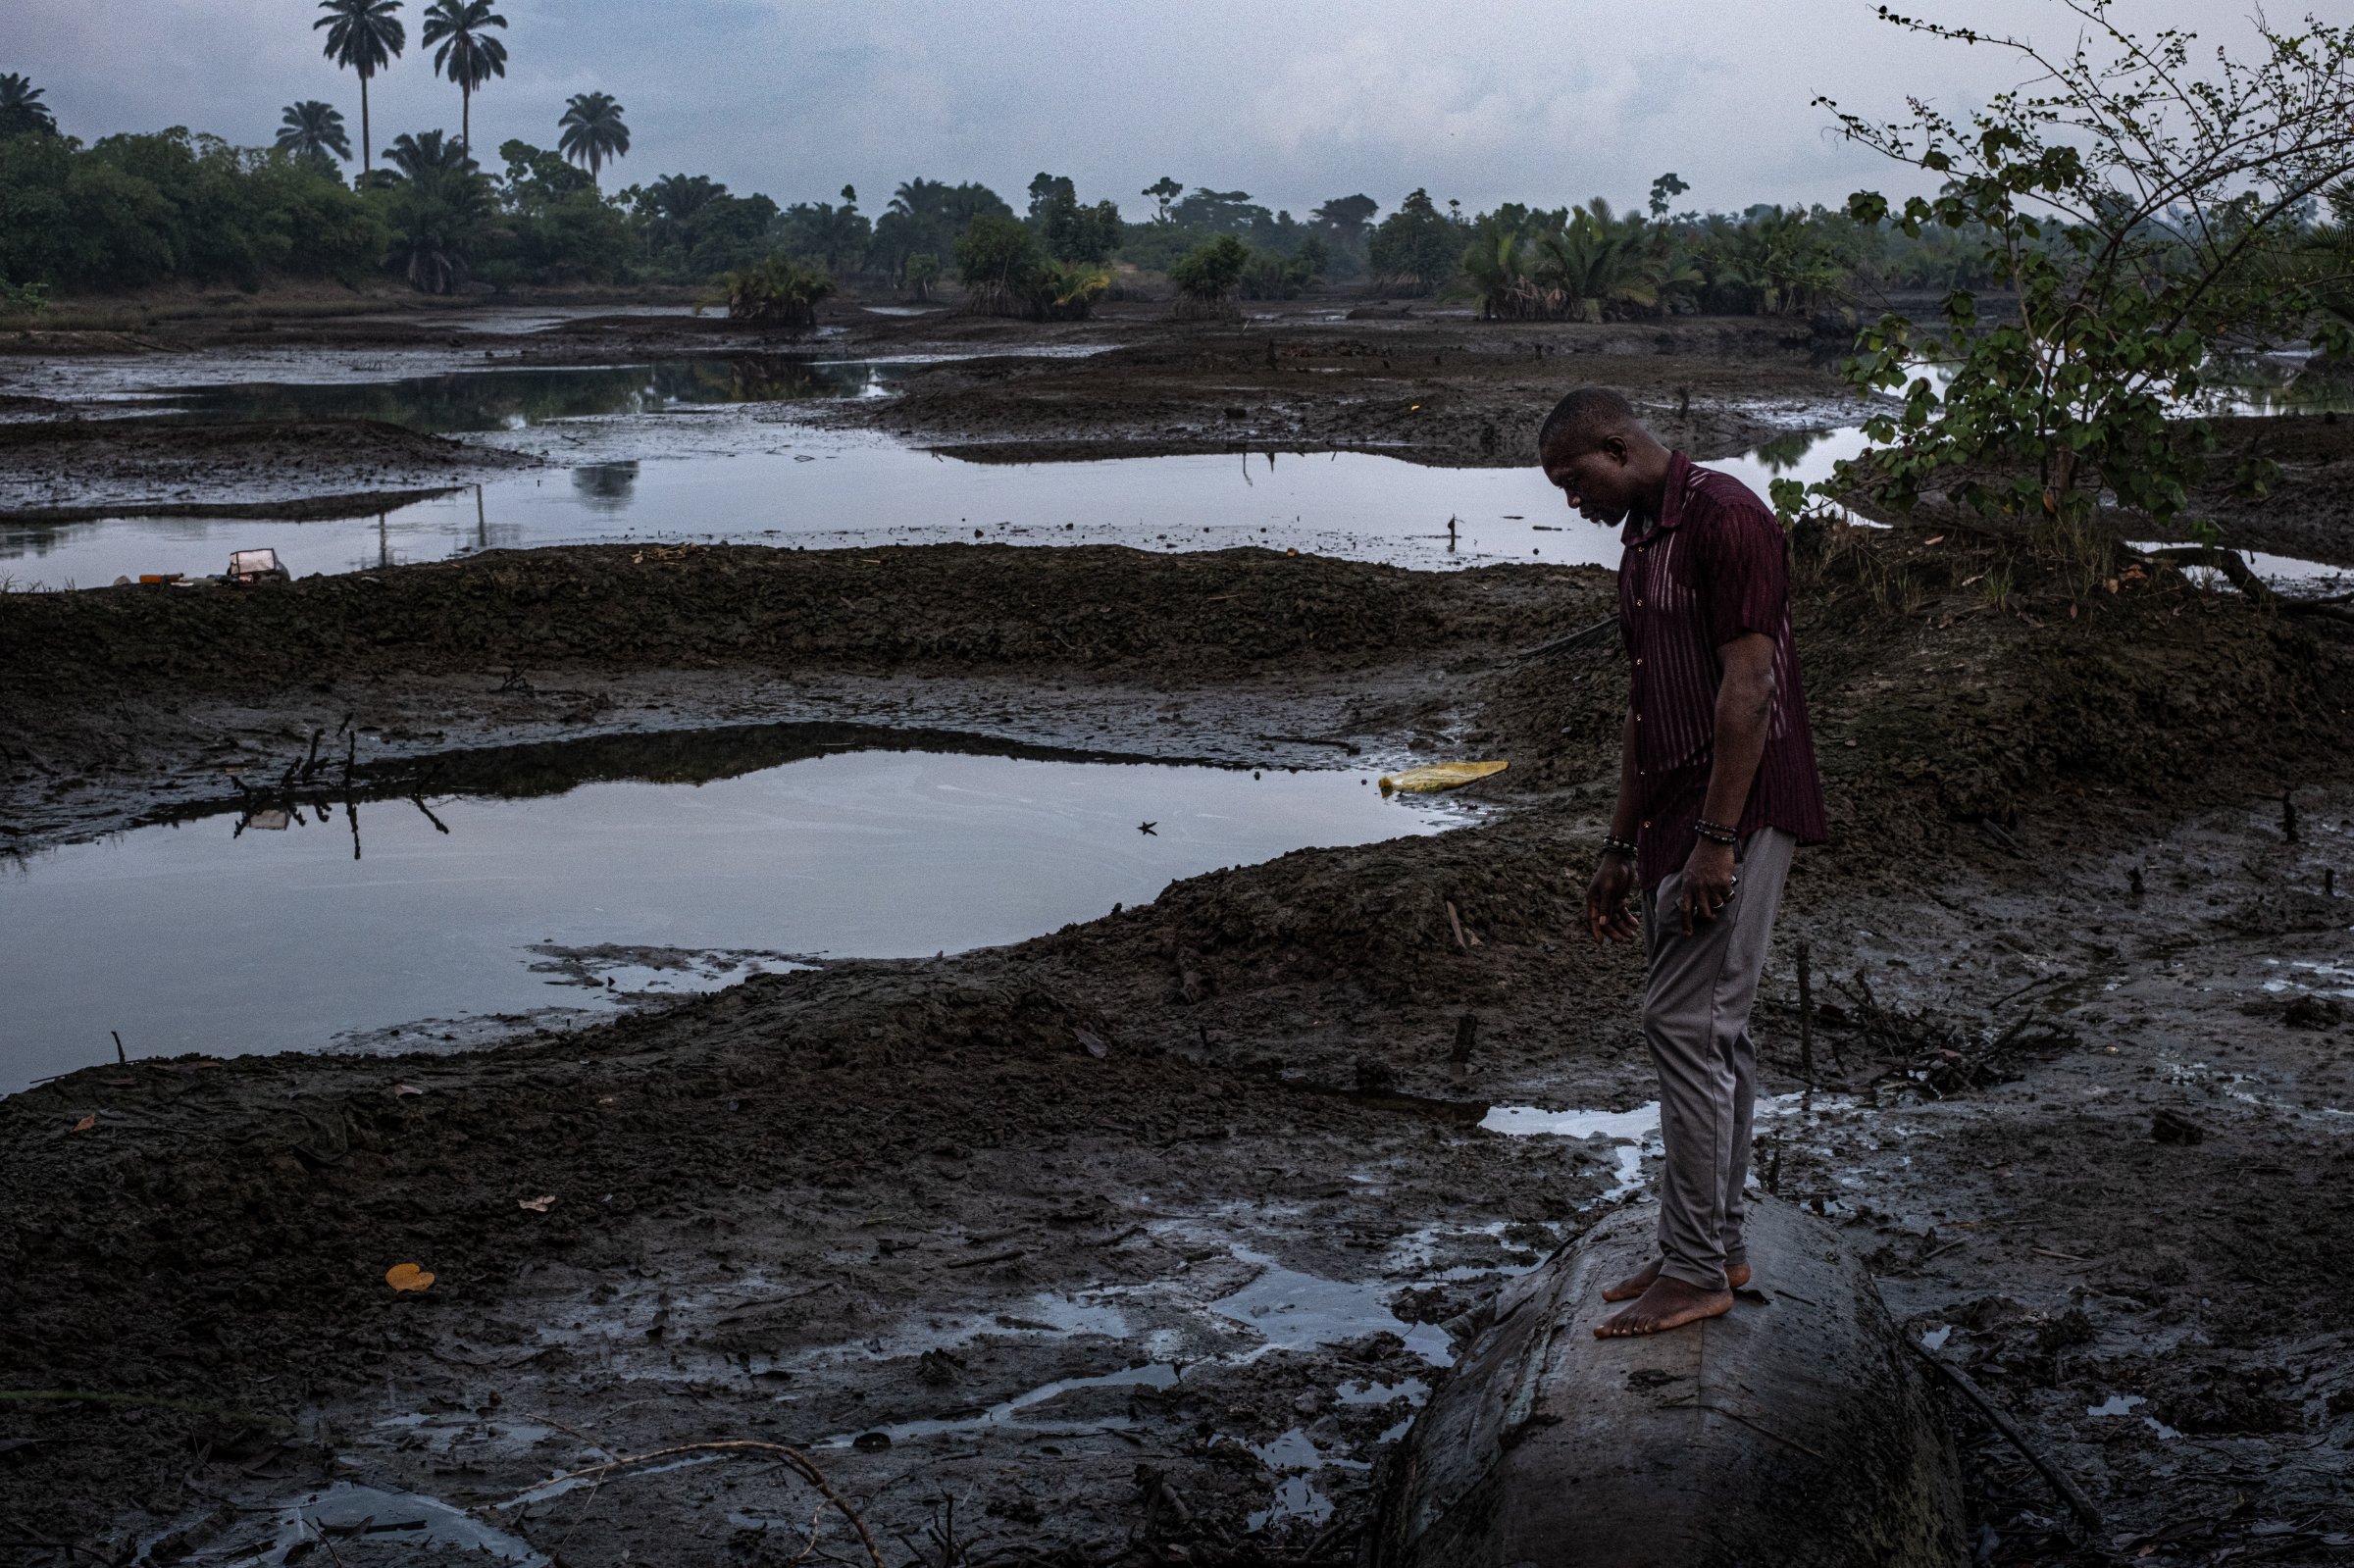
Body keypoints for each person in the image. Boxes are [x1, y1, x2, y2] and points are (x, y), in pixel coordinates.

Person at [1538, 387, 1828, 1340]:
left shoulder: (1728, 516)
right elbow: (1643, 707)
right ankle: (1713, 1244)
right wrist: (1620, 847)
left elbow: (1751, 686)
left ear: (1621, 446)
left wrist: (1717, 838)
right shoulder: (1642, 543)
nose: (1571, 503)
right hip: (1674, 816)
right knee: (1718, 1034)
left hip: (1733, 810)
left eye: (1577, 481)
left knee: (1685, 1024)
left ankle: (1698, 1268)